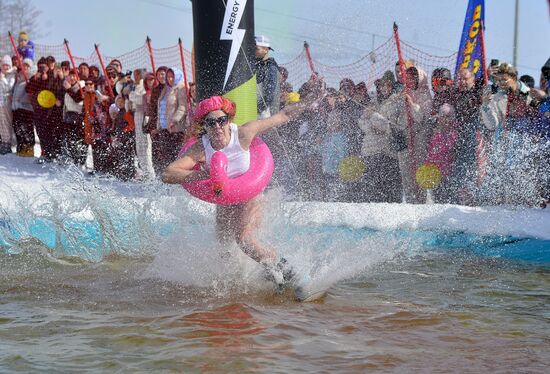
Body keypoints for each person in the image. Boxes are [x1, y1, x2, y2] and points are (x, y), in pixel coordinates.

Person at [161, 95, 312, 287]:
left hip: (250, 196)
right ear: (205, 126)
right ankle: (262, 278)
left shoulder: (243, 134)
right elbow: (167, 174)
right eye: (211, 122)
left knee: (245, 240)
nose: (217, 126)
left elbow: (282, 116)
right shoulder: (201, 149)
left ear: (228, 120)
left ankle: (292, 273)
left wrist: (308, 101)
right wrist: (205, 176)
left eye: (221, 120)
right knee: (223, 246)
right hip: (224, 200)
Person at [12, 58, 35, 157]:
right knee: (17, 128)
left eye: (27, 66)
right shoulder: (19, 78)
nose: (24, 68)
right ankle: (20, 147)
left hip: (26, 108)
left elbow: (30, 90)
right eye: (23, 65)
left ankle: (29, 148)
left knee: (26, 128)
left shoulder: (31, 78)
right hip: (17, 107)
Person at [254, 35, 280, 118]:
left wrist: (256, 109)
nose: (252, 51)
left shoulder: (270, 67)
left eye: (256, 48)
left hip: (263, 113)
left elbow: (269, 93)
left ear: (266, 49)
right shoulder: (258, 65)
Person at [0, 55, 16, 154]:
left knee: (7, 124)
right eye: (3, 65)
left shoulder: (12, 75)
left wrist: (2, 79)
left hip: (7, 103)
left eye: (7, 65)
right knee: (1, 124)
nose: (5, 67)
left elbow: (8, 88)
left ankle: (8, 143)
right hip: (0, 103)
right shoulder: (1, 74)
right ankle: (3, 142)